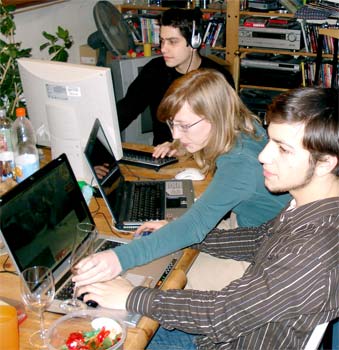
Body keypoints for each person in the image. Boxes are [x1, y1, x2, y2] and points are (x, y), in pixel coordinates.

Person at [77, 87, 339, 349]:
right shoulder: (308, 203)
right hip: (227, 329)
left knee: (94, 328)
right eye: (270, 141)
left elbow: (219, 315)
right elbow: (258, 238)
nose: (263, 156)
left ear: (326, 163)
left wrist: (131, 297)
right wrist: (194, 240)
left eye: (282, 149)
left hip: (224, 340)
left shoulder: (314, 251)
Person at [73, 68, 290, 289]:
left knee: (159, 280)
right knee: (164, 253)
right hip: (252, 232)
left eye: (184, 126)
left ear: (216, 117)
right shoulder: (241, 126)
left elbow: (194, 226)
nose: (175, 135)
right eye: (172, 124)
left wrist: (117, 259)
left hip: (263, 257)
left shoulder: (240, 164)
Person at [117, 8, 235, 146]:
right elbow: (124, 112)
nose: (163, 49)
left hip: (203, 158)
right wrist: (98, 158)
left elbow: (226, 133)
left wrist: (178, 148)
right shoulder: (154, 70)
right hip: (162, 158)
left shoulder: (218, 78)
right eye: (162, 41)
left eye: (172, 41)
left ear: (194, 42)